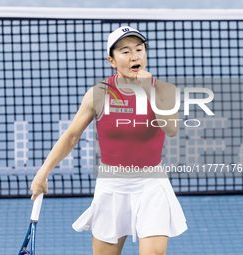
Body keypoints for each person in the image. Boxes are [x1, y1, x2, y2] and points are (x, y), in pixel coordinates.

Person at [30, 26, 187, 255]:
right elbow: (71, 136)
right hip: (112, 185)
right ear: (111, 61)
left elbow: (172, 129)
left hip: (152, 185)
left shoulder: (164, 90)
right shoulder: (99, 94)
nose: (135, 56)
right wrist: (42, 173)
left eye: (139, 49)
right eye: (125, 51)